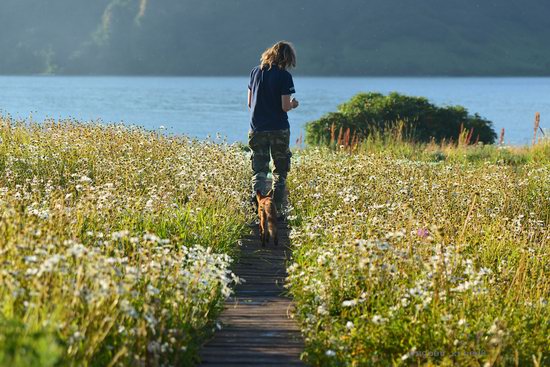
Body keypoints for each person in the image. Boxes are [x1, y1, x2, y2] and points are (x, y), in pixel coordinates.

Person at [248, 41, 299, 218]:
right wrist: (293, 104)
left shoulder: (255, 72)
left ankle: (256, 210)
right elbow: (285, 106)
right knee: (280, 171)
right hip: (279, 128)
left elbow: (249, 103)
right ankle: (277, 211)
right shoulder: (284, 77)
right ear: (287, 59)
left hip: (257, 128)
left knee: (259, 170)